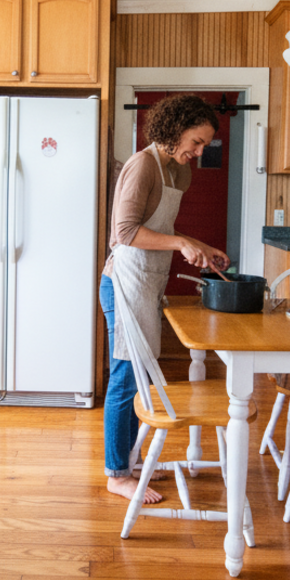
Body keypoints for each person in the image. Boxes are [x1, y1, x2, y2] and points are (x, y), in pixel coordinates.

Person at [100, 94, 229, 503]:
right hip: (123, 282)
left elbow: (164, 229)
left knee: (139, 376)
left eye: (205, 144)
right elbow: (125, 232)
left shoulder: (179, 172)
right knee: (125, 378)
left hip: (148, 281)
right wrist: (180, 243)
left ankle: (128, 459)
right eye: (196, 141)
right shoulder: (143, 166)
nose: (199, 151)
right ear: (174, 131)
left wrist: (200, 246)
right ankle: (117, 473)